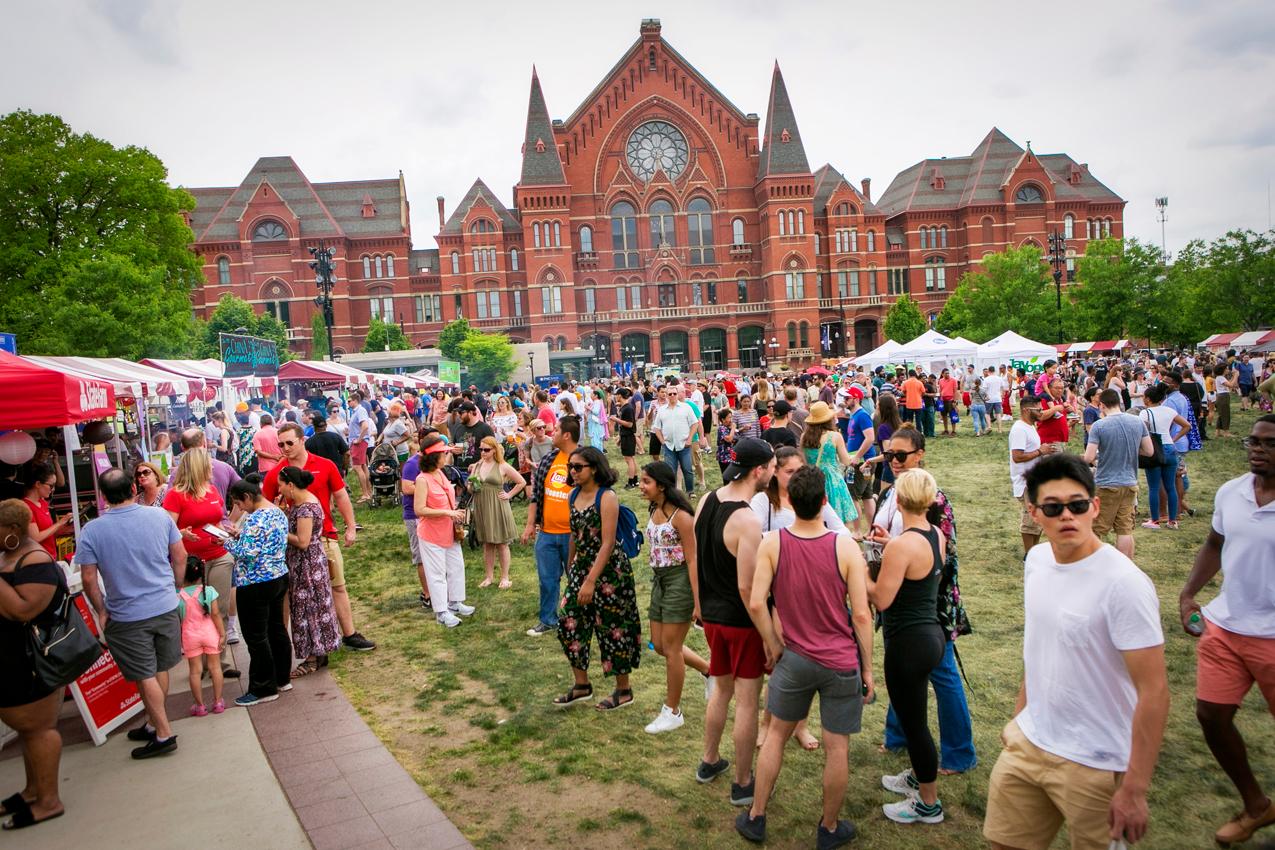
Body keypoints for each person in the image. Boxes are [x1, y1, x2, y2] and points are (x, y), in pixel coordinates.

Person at [984, 454, 1168, 850]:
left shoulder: (1124, 584)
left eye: (1077, 505)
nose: (1067, 515)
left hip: (1096, 760)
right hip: (1030, 744)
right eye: (1053, 507)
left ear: (1095, 506)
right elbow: (1039, 647)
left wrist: (1134, 789)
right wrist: (1019, 719)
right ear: (1034, 513)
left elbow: (1154, 690)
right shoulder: (1036, 561)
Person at [735, 465, 871, 846]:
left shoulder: (773, 544)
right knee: (837, 746)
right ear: (825, 501)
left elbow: (757, 602)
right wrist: (870, 670)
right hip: (841, 661)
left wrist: (774, 643)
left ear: (790, 500)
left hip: (794, 659)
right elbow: (861, 614)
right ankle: (829, 828)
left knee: (776, 735)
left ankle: (757, 815)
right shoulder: (844, 546)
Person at [1179, 415, 1275, 846]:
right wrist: (1189, 593)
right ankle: (1257, 805)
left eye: (1268, 443)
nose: (1256, 449)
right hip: (1228, 625)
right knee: (1212, 717)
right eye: (1252, 441)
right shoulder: (1231, 492)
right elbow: (1215, 544)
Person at [870, 428, 976, 777]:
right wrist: (885, 545)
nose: (895, 462)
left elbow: (942, 556)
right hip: (898, 602)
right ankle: (897, 735)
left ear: (920, 454)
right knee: (903, 674)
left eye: (902, 455)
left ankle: (958, 753)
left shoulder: (933, 498)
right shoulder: (891, 494)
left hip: (928, 606)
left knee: (942, 675)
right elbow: (906, 546)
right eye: (889, 456)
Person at [77, 469, 185, 759]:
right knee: (158, 668)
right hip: (164, 605)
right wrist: (175, 587)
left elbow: (88, 578)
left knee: (144, 672)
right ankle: (153, 723)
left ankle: (163, 732)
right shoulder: (159, 516)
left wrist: (101, 610)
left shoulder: (92, 530)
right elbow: (180, 555)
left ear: (103, 496)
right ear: (133, 488)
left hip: (127, 613)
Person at [694, 438, 776, 807]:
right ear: (758, 471)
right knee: (746, 702)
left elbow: (695, 559)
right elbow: (747, 588)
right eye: (772, 467)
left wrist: (700, 606)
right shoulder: (747, 519)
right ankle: (743, 782)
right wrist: (770, 636)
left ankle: (709, 759)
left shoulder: (706, 500)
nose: (773, 474)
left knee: (720, 690)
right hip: (740, 624)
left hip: (712, 618)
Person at [867, 468, 947, 824]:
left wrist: (855, 568)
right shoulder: (934, 535)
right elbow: (916, 564)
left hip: (907, 643)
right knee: (917, 717)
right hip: (930, 635)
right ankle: (919, 774)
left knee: (914, 724)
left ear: (897, 501)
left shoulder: (902, 546)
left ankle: (928, 802)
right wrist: (889, 546)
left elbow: (881, 599)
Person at [263, 423, 374, 652]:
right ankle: (284, 644)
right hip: (292, 543)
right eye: (280, 444)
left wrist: (351, 526)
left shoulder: (324, 465)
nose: (284, 448)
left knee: (337, 585)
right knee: (288, 594)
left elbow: (341, 496)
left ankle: (350, 634)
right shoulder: (276, 474)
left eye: (289, 443)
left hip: (325, 536)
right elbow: (264, 505)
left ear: (303, 440)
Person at [552, 447, 642, 710]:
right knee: (569, 622)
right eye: (571, 467)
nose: (573, 472)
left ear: (594, 468)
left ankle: (623, 690)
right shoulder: (573, 495)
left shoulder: (607, 497)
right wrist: (571, 567)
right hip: (581, 568)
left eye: (578, 467)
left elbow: (608, 543)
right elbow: (574, 534)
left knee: (613, 629)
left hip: (610, 573)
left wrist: (591, 581)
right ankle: (582, 685)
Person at [0, 500, 69, 828]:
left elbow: (22, 610)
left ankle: (48, 799)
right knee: (30, 730)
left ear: (12, 530)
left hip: (32, 661)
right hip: (14, 659)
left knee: (40, 728)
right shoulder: (11, 556)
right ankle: (33, 790)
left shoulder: (37, 562)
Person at [638, 461, 710, 734]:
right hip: (659, 580)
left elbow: (693, 560)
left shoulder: (681, 517)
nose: (642, 486)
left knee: (672, 649)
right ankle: (708, 670)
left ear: (662, 486)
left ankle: (673, 710)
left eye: (647, 482)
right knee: (658, 644)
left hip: (679, 580)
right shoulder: (655, 509)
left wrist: (698, 600)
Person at [163, 447, 237, 675]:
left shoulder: (212, 490)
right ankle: (199, 662)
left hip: (219, 555)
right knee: (194, 612)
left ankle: (219, 662)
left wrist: (227, 531)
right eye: (207, 464)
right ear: (197, 467)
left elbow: (217, 520)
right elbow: (165, 529)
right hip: (191, 562)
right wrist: (182, 534)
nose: (212, 468)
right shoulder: (175, 495)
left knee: (220, 609)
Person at [225, 478, 291, 706]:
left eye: (239, 504)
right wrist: (239, 537)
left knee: (256, 636)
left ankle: (263, 687)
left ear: (247, 497)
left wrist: (226, 542)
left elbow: (247, 553)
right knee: (276, 629)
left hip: (254, 583)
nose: (240, 509)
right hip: (278, 575)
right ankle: (282, 677)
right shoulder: (277, 512)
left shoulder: (255, 519)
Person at [278, 465, 340, 677]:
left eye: (281, 485)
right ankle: (320, 651)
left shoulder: (305, 508)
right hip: (310, 563)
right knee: (317, 606)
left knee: (307, 609)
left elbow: (302, 541)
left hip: (306, 565)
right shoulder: (307, 501)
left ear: (291, 485)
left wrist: (282, 531)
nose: (280, 489)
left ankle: (311, 658)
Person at [522, 415, 580, 636]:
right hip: (547, 533)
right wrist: (530, 525)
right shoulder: (548, 460)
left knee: (577, 579)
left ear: (566, 435)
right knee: (547, 580)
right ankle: (548, 620)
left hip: (573, 535)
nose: (551, 432)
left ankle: (578, 619)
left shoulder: (583, 459)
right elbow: (536, 495)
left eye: (555, 430)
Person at [1083, 389, 1154, 557]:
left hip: (1106, 483)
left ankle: (1093, 564)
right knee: (1125, 530)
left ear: (1102, 405)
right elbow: (1149, 451)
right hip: (1130, 483)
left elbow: (1089, 457)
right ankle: (1126, 567)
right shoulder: (1137, 422)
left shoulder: (1099, 425)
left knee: (1095, 528)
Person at [414, 435, 473, 627]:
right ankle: (441, 611)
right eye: (443, 453)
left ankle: (455, 602)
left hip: (449, 530)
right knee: (437, 573)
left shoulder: (441, 473)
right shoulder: (422, 480)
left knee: (456, 566)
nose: (446, 455)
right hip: (431, 534)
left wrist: (455, 511)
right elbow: (420, 509)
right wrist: (447, 512)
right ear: (434, 456)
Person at [470, 435, 526, 589]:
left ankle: (505, 577)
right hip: (482, 505)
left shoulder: (502, 466)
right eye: (481, 449)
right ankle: (488, 577)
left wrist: (509, 494)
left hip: (498, 505)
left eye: (486, 450)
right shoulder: (477, 465)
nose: (483, 452)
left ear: (494, 450)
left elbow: (522, 482)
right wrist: (471, 485)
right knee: (487, 543)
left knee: (501, 542)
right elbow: (470, 486)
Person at [1009, 396, 1057, 554]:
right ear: (1026, 410)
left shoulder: (1029, 427)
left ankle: (1033, 552)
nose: (1041, 412)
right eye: (1038, 409)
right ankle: (1029, 555)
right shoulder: (1019, 429)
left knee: (1037, 520)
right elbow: (1017, 457)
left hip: (1035, 480)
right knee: (1030, 520)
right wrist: (1039, 451)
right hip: (1025, 482)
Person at [177, 557, 225, 716]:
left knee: (195, 672)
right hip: (210, 633)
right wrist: (222, 633)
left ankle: (200, 706)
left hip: (190, 637)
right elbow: (216, 614)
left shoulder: (178, 596)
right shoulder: (209, 591)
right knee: (215, 668)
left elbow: (178, 619)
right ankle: (218, 702)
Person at [1140, 383, 1190, 531]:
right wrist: (1174, 438)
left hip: (1154, 449)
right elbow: (1187, 425)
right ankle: (1172, 520)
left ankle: (1155, 520)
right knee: (1170, 487)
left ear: (1148, 399)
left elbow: (1142, 433)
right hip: (1170, 448)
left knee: (1154, 487)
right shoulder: (1169, 411)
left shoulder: (1145, 413)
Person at [800, 402, 858, 525]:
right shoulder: (835, 436)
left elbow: (803, 461)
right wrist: (854, 458)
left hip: (811, 479)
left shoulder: (804, 437)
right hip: (832, 480)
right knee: (837, 520)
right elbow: (845, 460)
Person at [652, 387, 701, 495]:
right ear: (667, 396)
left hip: (684, 445)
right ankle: (672, 492)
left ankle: (690, 491)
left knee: (687, 469)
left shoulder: (686, 407)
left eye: (674, 393)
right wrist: (662, 442)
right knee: (670, 471)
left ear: (678, 394)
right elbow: (656, 428)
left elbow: (695, 423)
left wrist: (689, 439)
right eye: (670, 394)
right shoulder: (662, 410)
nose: (672, 395)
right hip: (669, 446)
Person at [21, 464, 70, 559]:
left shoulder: (43, 503)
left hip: (50, 556)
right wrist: (59, 523)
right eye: (51, 486)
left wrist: (64, 529)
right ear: (38, 484)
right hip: (38, 560)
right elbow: (35, 537)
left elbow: (48, 533)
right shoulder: (26, 507)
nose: (53, 489)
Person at [347, 390, 375, 503]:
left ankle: (365, 493)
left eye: (349, 401)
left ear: (355, 401)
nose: (348, 403)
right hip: (359, 441)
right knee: (363, 466)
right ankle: (368, 492)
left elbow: (365, 426)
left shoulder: (360, 411)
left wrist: (359, 439)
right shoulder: (357, 411)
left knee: (358, 467)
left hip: (359, 442)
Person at [609, 387, 640, 488]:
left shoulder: (628, 408)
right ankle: (635, 480)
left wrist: (615, 419)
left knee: (629, 459)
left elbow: (630, 424)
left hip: (628, 436)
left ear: (619, 396)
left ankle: (631, 482)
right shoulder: (624, 407)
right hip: (626, 436)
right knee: (631, 458)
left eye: (616, 395)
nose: (615, 397)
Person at [715, 407, 738, 475]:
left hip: (732, 457)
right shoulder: (722, 428)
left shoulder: (729, 428)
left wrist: (742, 429)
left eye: (731, 417)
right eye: (729, 417)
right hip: (725, 458)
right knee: (727, 478)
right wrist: (733, 428)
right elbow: (729, 439)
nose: (731, 420)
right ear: (723, 419)